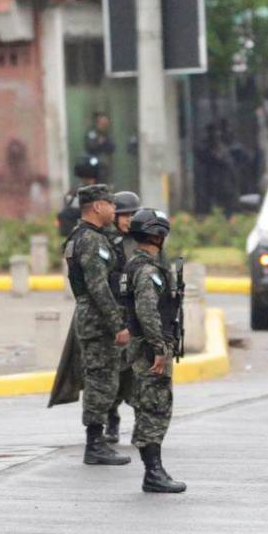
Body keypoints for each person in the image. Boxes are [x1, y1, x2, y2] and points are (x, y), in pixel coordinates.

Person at [64, 184, 132, 466]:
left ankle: (98, 440)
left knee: (103, 379)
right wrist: (117, 324)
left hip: (94, 316)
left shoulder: (88, 236)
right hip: (97, 318)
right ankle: (94, 443)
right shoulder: (90, 240)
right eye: (111, 204)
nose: (115, 210)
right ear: (97, 207)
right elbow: (98, 287)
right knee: (99, 381)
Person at [121, 208, 186, 494]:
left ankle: (154, 470)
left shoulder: (136, 265)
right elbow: (147, 312)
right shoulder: (147, 271)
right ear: (158, 236)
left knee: (150, 406)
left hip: (144, 346)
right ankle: (153, 473)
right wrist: (160, 349)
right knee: (154, 408)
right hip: (149, 349)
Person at [104, 190, 141, 444]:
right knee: (113, 373)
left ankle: (143, 423)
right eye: (123, 215)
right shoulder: (106, 243)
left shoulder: (144, 242)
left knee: (140, 373)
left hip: (139, 316)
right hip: (115, 316)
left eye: (132, 215)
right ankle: (111, 417)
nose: (127, 220)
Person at [58, 155, 104, 238]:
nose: (87, 180)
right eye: (85, 178)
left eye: (88, 178)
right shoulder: (74, 193)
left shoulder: (102, 192)